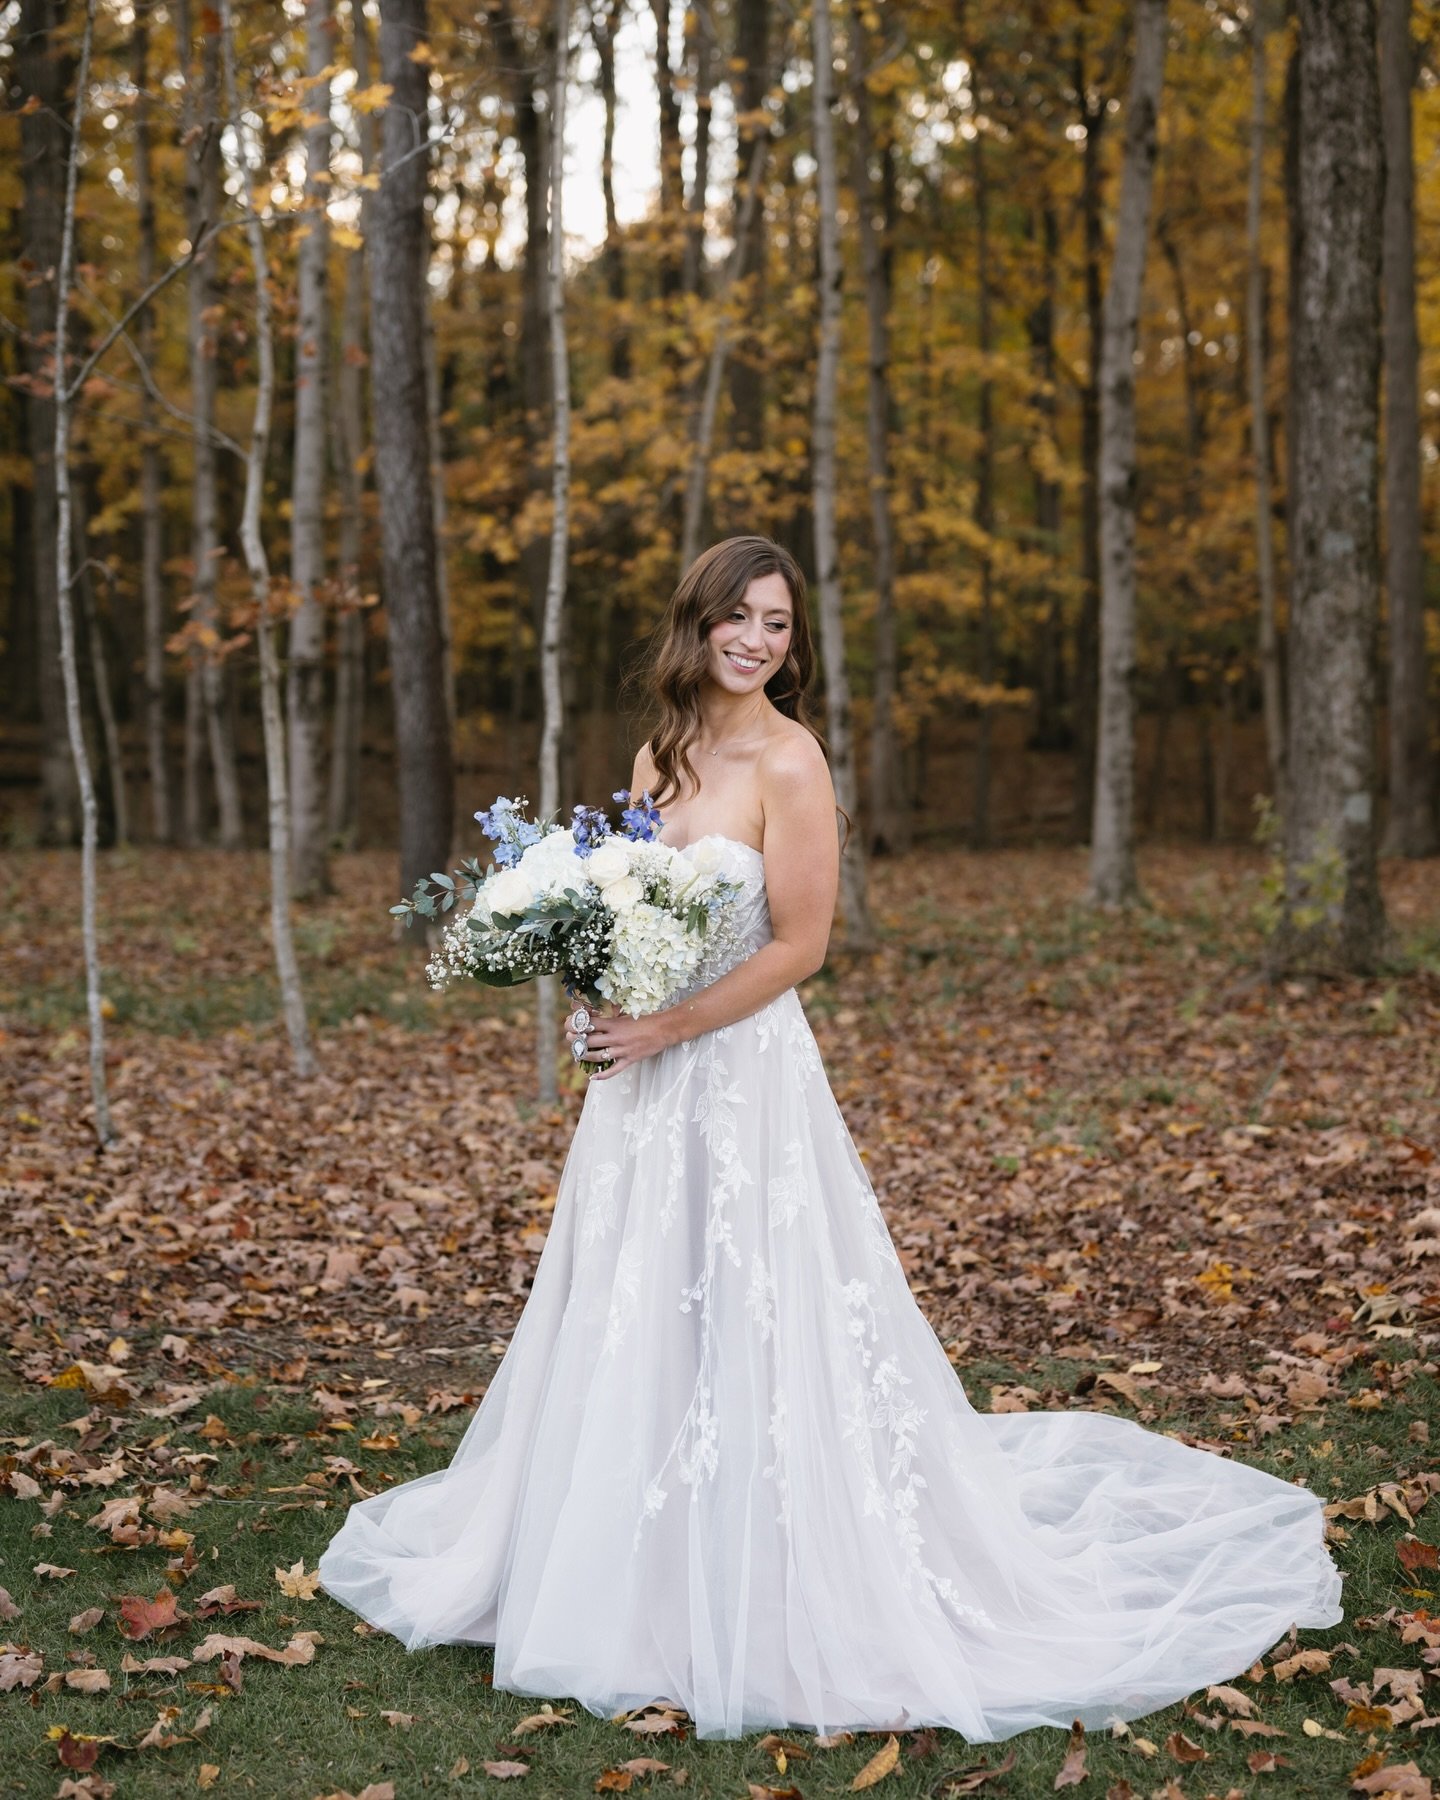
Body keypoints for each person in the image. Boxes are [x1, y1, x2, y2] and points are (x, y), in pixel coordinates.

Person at [317, 535, 1343, 1743]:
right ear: (695, 623)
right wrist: (597, 987)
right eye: (738, 617)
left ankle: (770, 1558)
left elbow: (801, 946)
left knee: (755, 1299)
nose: (757, 640)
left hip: (739, 1075)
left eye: (779, 624)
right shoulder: (660, 754)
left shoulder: (792, 764)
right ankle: (624, 1553)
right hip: (640, 1087)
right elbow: (623, 903)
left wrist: (669, 1025)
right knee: (642, 1300)